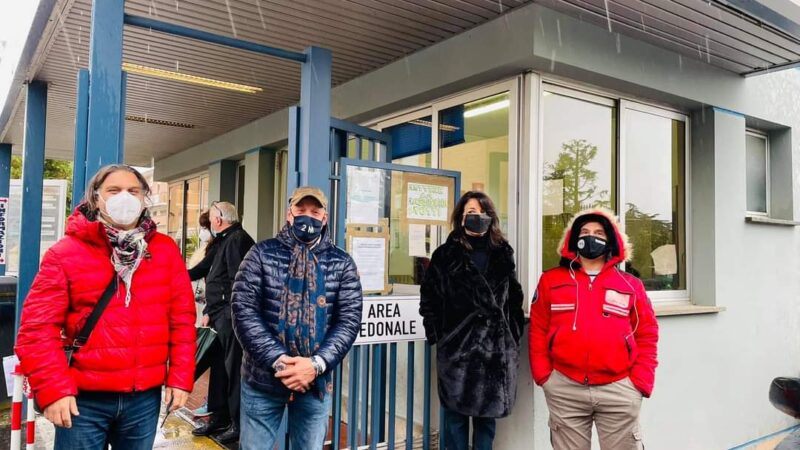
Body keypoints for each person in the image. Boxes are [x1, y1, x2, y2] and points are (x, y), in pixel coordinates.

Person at [15, 164, 196, 450]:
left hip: (143, 399)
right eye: (114, 190)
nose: (124, 197)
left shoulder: (164, 250)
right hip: (83, 400)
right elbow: (37, 329)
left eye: (133, 191)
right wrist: (53, 391)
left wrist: (181, 379)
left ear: (144, 197)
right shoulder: (65, 254)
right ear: (96, 198)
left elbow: (182, 321)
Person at [232, 186, 363, 450]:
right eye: (300, 210)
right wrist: (282, 363)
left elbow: (348, 320)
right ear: (288, 214)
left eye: (315, 211)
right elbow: (243, 310)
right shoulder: (261, 254)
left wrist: (314, 365)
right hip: (262, 381)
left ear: (325, 218)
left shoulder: (342, 263)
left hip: (315, 383)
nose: (308, 217)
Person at [528, 208, 659, 450]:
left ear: (611, 240)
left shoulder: (630, 285)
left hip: (619, 388)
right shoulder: (551, 281)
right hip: (565, 388)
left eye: (599, 233)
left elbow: (647, 334)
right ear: (573, 239)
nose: (591, 237)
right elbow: (538, 328)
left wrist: (640, 382)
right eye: (585, 232)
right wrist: (544, 376)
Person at [419, 191, 525, 450]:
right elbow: (429, 298)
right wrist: (439, 335)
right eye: (469, 213)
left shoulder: (502, 252)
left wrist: (512, 334)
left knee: (486, 423)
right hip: (457, 352)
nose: (475, 217)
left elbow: (513, 297)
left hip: (494, 353)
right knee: (454, 421)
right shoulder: (446, 254)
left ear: (490, 216)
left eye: (480, 212)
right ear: (460, 218)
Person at [189, 201, 254, 444]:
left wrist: (229, 312)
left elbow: (240, 281)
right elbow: (205, 270)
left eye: (212, 218)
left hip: (231, 317)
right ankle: (219, 416)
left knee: (233, 370)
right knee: (219, 369)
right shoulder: (224, 240)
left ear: (218, 220)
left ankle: (236, 424)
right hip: (219, 316)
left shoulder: (237, 239)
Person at [187, 210, 217, 417]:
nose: (203, 231)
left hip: (212, 310)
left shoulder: (222, 246)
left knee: (213, 358)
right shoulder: (207, 248)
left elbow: (201, 272)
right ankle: (213, 401)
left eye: (206, 227)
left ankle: (214, 402)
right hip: (205, 308)